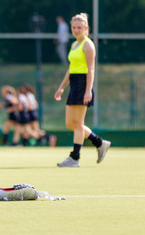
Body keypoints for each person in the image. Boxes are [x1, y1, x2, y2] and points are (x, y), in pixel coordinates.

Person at [54, 13, 111, 167]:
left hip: (83, 83)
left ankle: (74, 158)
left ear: (86, 28)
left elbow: (91, 69)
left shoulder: (88, 44)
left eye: (80, 27)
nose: (76, 30)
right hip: (74, 84)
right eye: (74, 27)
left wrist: (88, 90)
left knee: (78, 124)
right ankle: (99, 143)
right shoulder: (74, 45)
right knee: (70, 123)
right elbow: (70, 69)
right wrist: (61, 88)